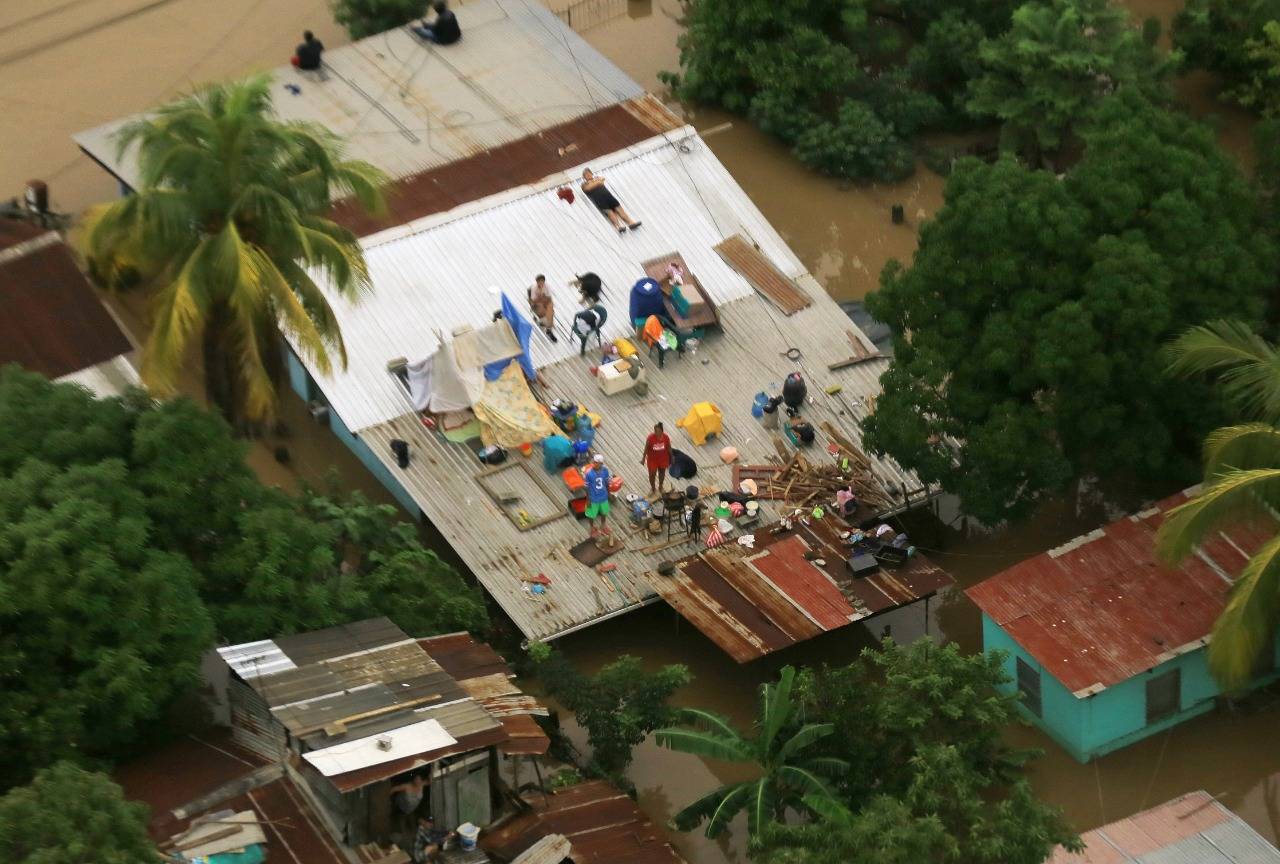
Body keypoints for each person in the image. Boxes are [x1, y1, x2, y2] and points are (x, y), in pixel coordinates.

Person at [580, 169, 641, 233]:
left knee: (620, 210)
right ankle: (619, 227)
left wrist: (597, 182)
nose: (588, 175)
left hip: (609, 197)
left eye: (589, 173)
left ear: (591, 173)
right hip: (600, 201)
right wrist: (598, 182)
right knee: (610, 213)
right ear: (584, 177)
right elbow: (588, 188)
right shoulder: (584, 184)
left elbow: (602, 180)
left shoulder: (597, 178)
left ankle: (631, 223)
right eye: (586, 175)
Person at [584, 454, 612, 538]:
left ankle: (603, 525)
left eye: (597, 463)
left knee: (604, 512)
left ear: (601, 463)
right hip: (593, 498)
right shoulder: (589, 474)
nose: (595, 464)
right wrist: (588, 499)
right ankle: (592, 527)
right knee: (591, 514)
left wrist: (608, 493)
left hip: (603, 496)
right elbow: (587, 487)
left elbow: (607, 483)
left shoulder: (605, 471)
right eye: (594, 462)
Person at [641, 422, 672, 495]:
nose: (656, 432)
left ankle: (660, 487)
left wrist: (672, 456)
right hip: (652, 460)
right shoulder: (650, 438)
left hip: (663, 459)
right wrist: (643, 459)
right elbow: (646, 449)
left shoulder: (666, 437)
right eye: (655, 431)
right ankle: (653, 488)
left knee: (662, 473)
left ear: (662, 431)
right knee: (652, 474)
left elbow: (669, 447)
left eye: (658, 431)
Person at [528, 274, 557, 342]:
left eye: (542, 282)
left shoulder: (547, 286)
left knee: (550, 310)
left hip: (546, 303)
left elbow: (549, 298)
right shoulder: (534, 288)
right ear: (537, 282)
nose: (541, 283)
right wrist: (542, 296)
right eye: (539, 282)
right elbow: (533, 300)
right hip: (537, 304)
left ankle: (549, 329)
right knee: (542, 309)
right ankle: (548, 327)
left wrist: (543, 298)